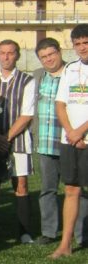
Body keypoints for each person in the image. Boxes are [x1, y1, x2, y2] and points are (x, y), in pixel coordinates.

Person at [34, 38, 87, 246]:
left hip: (72, 140)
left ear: (60, 52)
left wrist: (76, 133)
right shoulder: (37, 76)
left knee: (77, 188)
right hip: (47, 142)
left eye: (51, 54)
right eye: (43, 57)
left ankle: (80, 233)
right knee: (48, 189)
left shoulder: (71, 72)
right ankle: (49, 231)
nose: (48, 59)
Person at [0, 40, 36, 244]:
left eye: (10, 53)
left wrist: (6, 138)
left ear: (17, 55)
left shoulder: (27, 80)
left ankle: (24, 231)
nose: (6, 57)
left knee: (20, 184)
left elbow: (27, 114)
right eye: (2, 53)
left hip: (18, 140)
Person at [50, 24, 88, 259]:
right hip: (70, 140)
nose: (83, 47)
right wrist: (71, 132)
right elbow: (60, 103)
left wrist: (81, 132)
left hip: (82, 138)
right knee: (71, 189)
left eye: (86, 42)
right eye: (78, 44)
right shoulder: (70, 70)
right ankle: (65, 244)